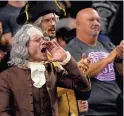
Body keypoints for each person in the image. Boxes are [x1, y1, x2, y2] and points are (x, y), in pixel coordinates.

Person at [17, 2, 91, 116]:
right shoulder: (23, 56)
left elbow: (82, 92)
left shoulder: (56, 53)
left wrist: (75, 69)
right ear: (33, 25)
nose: (53, 24)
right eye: (47, 20)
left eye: (54, 20)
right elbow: (36, 94)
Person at [0, 24, 91, 116]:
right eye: (37, 40)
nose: (44, 42)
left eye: (43, 38)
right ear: (24, 46)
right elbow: (2, 112)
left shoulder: (52, 70)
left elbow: (83, 89)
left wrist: (66, 60)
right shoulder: (7, 77)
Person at [66, 8, 123, 116]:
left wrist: (119, 59)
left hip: (116, 106)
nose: (96, 23)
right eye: (91, 20)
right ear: (78, 24)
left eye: (98, 20)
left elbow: (122, 73)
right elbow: (80, 75)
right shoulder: (71, 48)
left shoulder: (108, 45)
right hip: (91, 109)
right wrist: (107, 59)